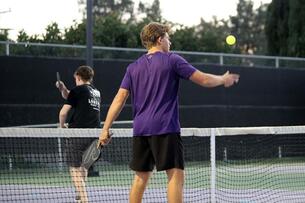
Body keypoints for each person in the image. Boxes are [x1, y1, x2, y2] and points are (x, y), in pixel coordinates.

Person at [98, 22, 239, 203]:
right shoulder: (172, 60)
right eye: (168, 38)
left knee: (140, 178)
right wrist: (223, 79)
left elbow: (119, 99)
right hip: (165, 127)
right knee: (175, 176)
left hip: (141, 130)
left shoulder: (133, 68)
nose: (170, 42)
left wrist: (105, 129)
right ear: (159, 39)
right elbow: (203, 79)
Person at [56, 65, 101, 203]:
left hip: (78, 133)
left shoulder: (77, 91)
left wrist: (62, 127)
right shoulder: (96, 92)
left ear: (78, 77)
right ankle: (80, 196)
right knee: (83, 166)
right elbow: (70, 95)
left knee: (74, 168)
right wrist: (62, 89)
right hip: (95, 135)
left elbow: (63, 112)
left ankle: (84, 199)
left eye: (75, 78)